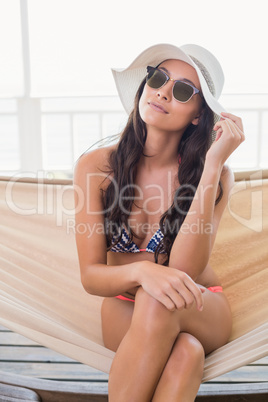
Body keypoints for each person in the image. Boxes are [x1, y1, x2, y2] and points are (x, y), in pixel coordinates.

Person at [74, 43, 245, 401]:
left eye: (183, 91)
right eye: (158, 78)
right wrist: (142, 273)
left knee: (159, 298)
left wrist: (212, 166)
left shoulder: (213, 175)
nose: (164, 92)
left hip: (199, 303)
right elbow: (91, 276)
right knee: (187, 353)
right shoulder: (96, 168)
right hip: (123, 304)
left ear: (199, 115)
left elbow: (183, 270)